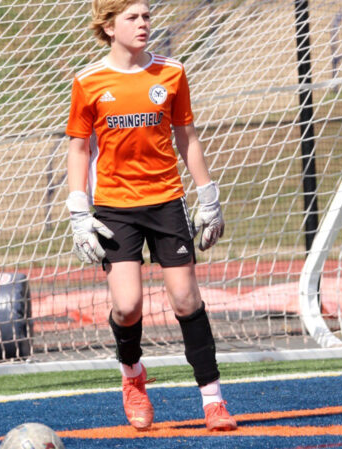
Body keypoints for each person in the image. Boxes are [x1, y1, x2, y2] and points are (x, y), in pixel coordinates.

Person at [64, 0, 237, 433]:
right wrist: (78, 211)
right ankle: (133, 377)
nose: (143, 24)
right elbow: (79, 149)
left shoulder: (171, 73)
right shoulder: (88, 82)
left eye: (146, 16)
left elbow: (187, 136)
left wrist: (208, 196)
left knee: (185, 300)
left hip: (165, 202)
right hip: (114, 208)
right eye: (132, 18)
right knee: (126, 307)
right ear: (108, 26)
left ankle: (213, 401)